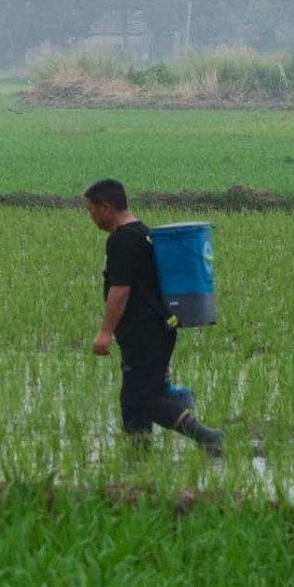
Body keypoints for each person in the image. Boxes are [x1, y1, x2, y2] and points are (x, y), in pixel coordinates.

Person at [86, 178, 222, 459]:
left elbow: (120, 289)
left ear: (106, 207)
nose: (91, 217)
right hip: (156, 331)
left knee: (143, 399)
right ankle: (139, 461)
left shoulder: (122, 240)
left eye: (91, 210)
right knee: (138, 398)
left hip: (144, 333)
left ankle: (207, 437)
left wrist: (105, 332)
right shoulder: (141, 232)